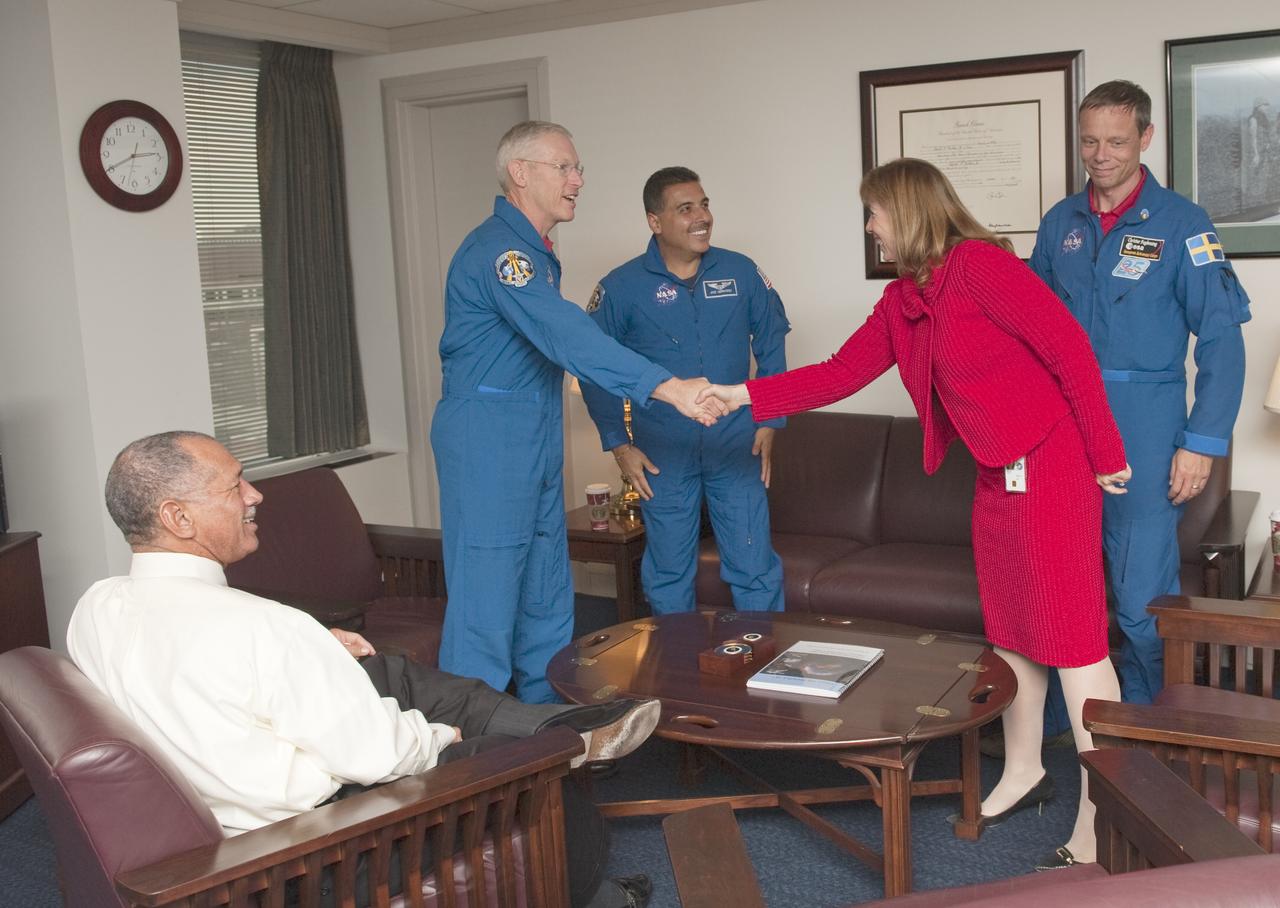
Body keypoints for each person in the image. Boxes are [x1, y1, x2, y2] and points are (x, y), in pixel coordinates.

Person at [698, 158, 1130, 870]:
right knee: (1014, 634)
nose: (869, 228)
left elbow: (1070, 352)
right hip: (997, 474)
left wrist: (1107, 453)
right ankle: (1024, 770)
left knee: (1076, 644)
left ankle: (1102, 808)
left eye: (874, 214)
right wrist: (737, 393)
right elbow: (836, 372)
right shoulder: (902, 299)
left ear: (906, 211)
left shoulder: (983, 269)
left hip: (1052, 467)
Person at [69, 431, 657, 908]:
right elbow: (382, 756)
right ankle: (597, 879)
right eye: (234, 485)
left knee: (384, 670)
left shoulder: (97, 606)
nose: (254, 495)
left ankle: (552, 722)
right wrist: (445, 737)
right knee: (528, 765)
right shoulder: (260, 628)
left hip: (245, 797)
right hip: (314, 848)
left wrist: (314, 648)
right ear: (179, 517)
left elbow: (189, 662)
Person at [432, 122, 726, 704]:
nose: (578, 180)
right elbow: (570, 336)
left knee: (546, 592)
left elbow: (564, 343)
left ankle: (544, 731)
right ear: (521, 173)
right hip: (488, 439)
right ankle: (465, 757)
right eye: (564, 168)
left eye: (579, 169)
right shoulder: (502, 254)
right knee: (486, 603)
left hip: (532, 434)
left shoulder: (535, 254)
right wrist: (665, 387)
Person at [1030, 81, 1251, 708]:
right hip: (1062, 424)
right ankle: (1052, 725)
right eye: (1089, 141)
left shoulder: (1185, 224)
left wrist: (1200, 444)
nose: (1101, 155)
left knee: (1137, 596)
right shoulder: (1059, 223)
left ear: (1146, 138)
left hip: (1145, 429)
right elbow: (1030, 325)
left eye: (1117, 141)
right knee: (1060, 587)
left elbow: (1221, 343)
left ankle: (1147, 732)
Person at [580, 167, 789, 614]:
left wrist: (770, 419)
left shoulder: (741, 271)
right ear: (655, 221)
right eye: (686, 208)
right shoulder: (620, 288)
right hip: (663, 452)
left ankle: (764, 669)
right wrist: (619, 445)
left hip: (735, 446)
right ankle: (674, 675)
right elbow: (596, 369)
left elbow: (772, 343)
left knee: (754, 566)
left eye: (705, 204)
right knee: (669, 572)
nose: (702, 217)